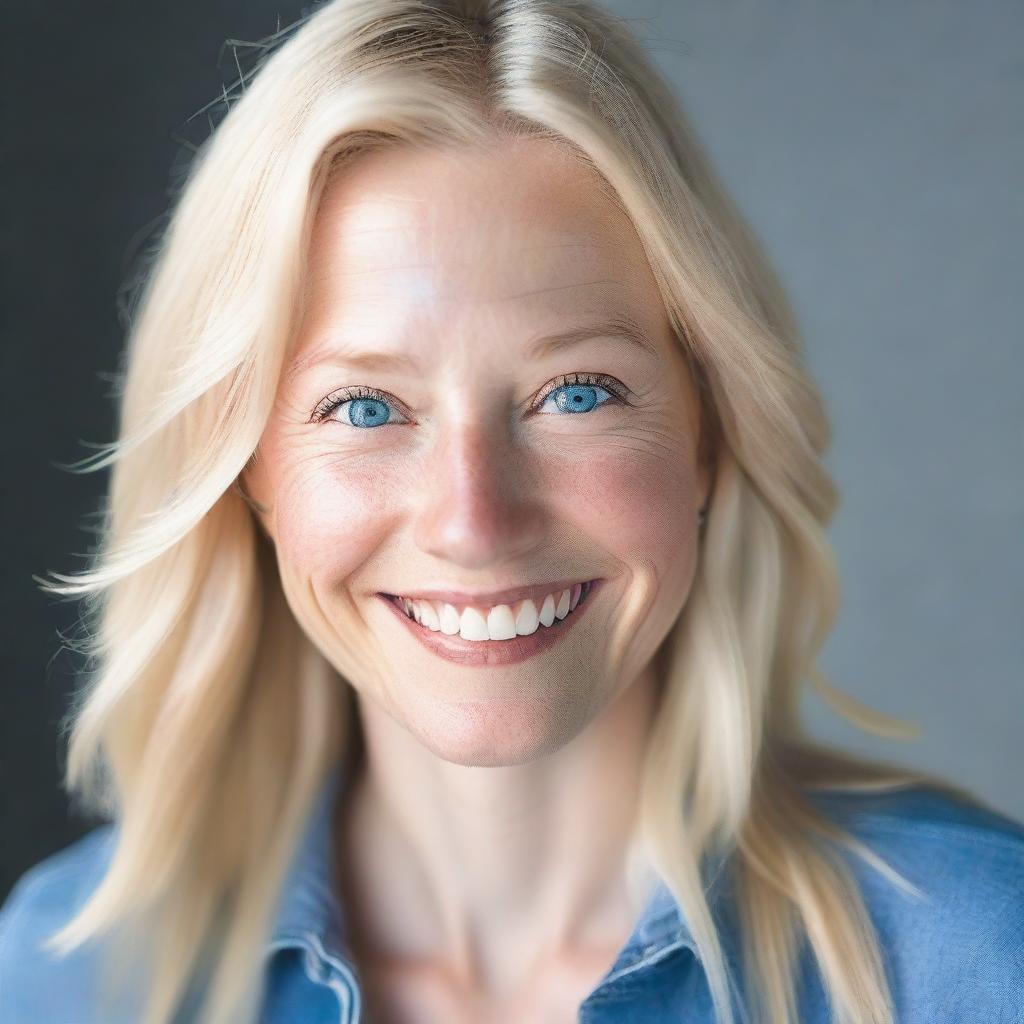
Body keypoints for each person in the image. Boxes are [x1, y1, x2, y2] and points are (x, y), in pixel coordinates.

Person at [1, 1, 1021, 1022]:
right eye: (364, 407)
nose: (472, 521)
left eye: (576, 392)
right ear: (249, 474)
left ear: (708, 431)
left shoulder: (971, 961)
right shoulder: (66, 979)